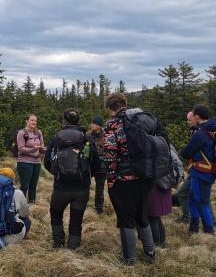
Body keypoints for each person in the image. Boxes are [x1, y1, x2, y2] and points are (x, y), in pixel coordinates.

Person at [102, 93, 157, 266]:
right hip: (147, 177)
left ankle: (129, 260)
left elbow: (111, 154)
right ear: (125, 104)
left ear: (110, 108)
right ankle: (150, 253)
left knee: (126, 219)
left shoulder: (112, 125)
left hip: (124, 179)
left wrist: (110, 179)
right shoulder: (143, 120)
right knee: (142, 214)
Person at [44, 108, 96, 250]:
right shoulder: (86, 138)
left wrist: (58, 173)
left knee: (55, 213)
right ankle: (73, 246)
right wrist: (86, 175)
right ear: (79, 121)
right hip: (81, 188)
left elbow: (47, 161)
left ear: (64, 121)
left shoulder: (57, 138)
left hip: (61, 187)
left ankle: (58, 242)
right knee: (76, 218)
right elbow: (95, 162)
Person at [181, 105, 216, 234]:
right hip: (210, 169)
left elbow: (186, 153)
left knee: (202, 202)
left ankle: (209, 232)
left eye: (193, 114)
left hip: (202, 171)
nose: (192, 117)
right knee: (193, 198)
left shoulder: (200, 133)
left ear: (198, 116)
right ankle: (193, 228)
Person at [172, 111, 197, 223]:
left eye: (189, 119)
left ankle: (188, 217)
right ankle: (210, 220)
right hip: (196, 169)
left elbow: (187, 152)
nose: (187, 122)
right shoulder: (198, 131)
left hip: (199, 169)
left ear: (196, 119)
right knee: (198, 196)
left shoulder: (198, 133)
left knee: (183, 193)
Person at [16, 114, 46, 204]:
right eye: (32, 120)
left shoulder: (38, 132)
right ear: (27, 121)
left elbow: (41, 146)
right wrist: (33, 149)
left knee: (33, 186)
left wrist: (45, 149)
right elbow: (21, 148)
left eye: (36, 121)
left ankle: (32, 204)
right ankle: (21, 205)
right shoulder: (22, 133)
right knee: (25, 185)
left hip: (37, 162)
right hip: (24, 162)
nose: (34, 122)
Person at [0, 168, 31, 245]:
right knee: (27, 220)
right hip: (8, 238)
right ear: (13, 179)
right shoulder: (18, 193)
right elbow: (25, 214)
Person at [86, 115, 107, 214]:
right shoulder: (87, 135)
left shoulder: (106, 135)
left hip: (102, 167)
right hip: (89, 165)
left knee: (100, 189)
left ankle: (99, 208)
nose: (91, 125)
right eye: (91, 123)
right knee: (85, 186)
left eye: (93, 124)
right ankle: (83, 204)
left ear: (99, 126)